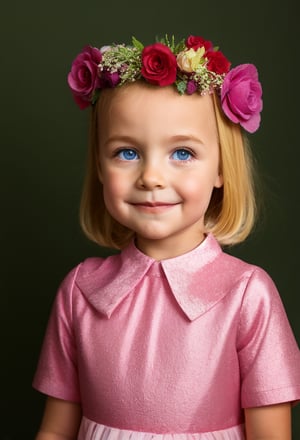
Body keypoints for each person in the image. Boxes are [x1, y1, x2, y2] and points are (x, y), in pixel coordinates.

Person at [33, 35, 300, 440]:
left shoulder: (247, 294)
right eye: (127, 152)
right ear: (100, 167)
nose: (152, 177)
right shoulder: (79, 291)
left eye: (182, 153)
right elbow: (55, 431)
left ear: (220, 169)